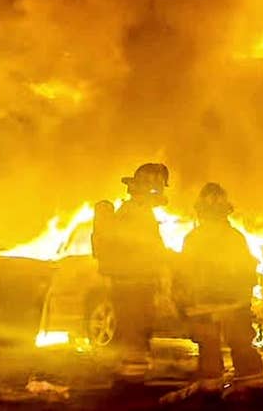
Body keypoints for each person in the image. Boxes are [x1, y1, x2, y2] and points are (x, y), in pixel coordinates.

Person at [166, 183, 263, 401]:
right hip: (234, 304)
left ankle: (211, 391)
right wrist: (245, 297)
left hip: (204, 304)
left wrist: (181, 302)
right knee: (242, 344)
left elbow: (183, 274)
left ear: (200, 211)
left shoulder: (192, 238)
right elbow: (247, 269)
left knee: (209, 349)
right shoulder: (235, 237)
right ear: (226, 211)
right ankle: (254, 386)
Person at [93, 163, 172, 383]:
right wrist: (170, 258)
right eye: (156, 189)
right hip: (134, 281)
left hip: (134, 280)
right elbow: (148, 247)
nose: (159, 193)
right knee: (135, 327)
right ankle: (132, 381)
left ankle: (132, 373)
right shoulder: (135, 213)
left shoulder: (135, 211)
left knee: (135, 327)